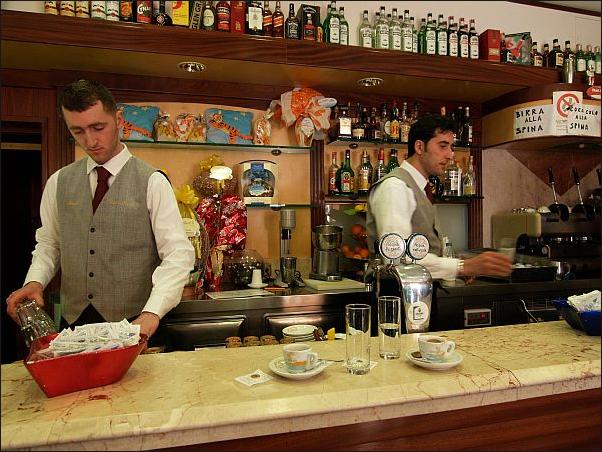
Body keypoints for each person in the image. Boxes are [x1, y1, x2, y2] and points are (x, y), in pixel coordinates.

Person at [6, 79, 195, 339]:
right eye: (78, 131)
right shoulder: (59, 182)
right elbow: (50, 244)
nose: (90, 140)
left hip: (135, 323)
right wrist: (34, 281)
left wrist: (152, 313)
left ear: (118, 119)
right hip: (74, 324)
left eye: (98, 127)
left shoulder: (152, 181)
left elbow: (177, 254)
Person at [366, 114, 511, 280]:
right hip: (394, 294)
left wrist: (455, 269)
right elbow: (397, 258)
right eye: (443, 146)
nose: (450, 155)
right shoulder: (395, 187)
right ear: (419, 147)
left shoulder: (420, 188)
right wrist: (461, 267)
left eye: (451, 147)